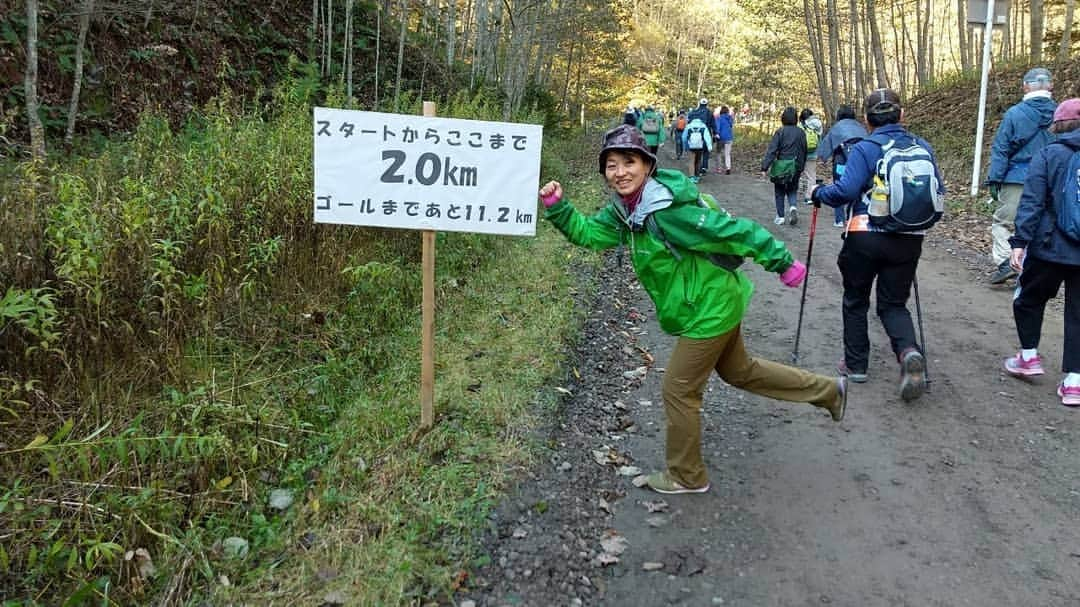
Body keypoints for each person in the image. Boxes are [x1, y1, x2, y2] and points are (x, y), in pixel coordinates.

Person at [538, 124, 848, 495]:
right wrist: (558, 208)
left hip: (710, 308)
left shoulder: (667, 211)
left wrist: (782, 262)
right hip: (710, 302)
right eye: (611, 165)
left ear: (648, 165)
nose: (620, 172)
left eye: (629, 162)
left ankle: (686, 475)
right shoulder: (625, 211)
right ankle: (829, 391)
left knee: (678, 389)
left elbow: (734, 231)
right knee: (740, 372)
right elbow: (588, 234)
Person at [808, 88, 945, 401]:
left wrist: (819, 194)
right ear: (902, 115)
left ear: (867, 120)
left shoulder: (866, 148)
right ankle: (909, 352)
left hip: (865, 235)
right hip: (908, 239)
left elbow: (845, 191)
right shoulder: (921, 146)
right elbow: (939, 189)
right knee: (894, 304)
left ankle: (856, 365)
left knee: (856, 298)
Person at [1001, 98, 1080, 407]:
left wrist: (1019, 243)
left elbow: (1031, 203)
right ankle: (1074, 382)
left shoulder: (1048, 155)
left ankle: (1029, 357)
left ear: (1058, 126)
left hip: (1048, 248)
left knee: (1028, 299)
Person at [986, 67, 1057, 285]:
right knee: (1043, 223)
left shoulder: (1015, 114)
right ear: (1051, 86)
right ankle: (1036, 269)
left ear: (1025, 86)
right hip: (1050, 179)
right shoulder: (1062, 113)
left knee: (1004, 222)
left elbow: (1001, 149)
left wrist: (995, 179)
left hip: (1017, 177)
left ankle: (1006, 262)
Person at [817, 104, 869, 228]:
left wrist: (823, 158)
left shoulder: (837, 127)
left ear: (839, 116)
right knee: (857, 188)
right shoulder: (860, 127)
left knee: (838, 187)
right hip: (859, 164)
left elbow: (823, 150)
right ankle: (853, 217)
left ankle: (839, 220)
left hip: (841, 163)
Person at [761, 106, 807, 226]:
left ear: (783, 118)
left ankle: (780, 216)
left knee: (779, 190)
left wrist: (765, 167)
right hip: (795, 165)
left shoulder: (780, 132)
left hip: (781, 166)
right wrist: (801, 167)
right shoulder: (801, 132)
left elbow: (772, 150)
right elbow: (804, 150)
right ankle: (792, 207)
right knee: (792, 189)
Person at [798, 108, 823, 205]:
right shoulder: (818, 124)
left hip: (801, 154)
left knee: (797, 173)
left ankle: (791, 193)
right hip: (813, 154)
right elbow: (820, 139)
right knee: (811, 176)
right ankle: (809, 197)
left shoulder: (800, 125)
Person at [687, 98, 716, 175]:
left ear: (699, 103)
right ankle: (704, 167)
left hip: (694, 133)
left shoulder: (694, 112)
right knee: (705, 151)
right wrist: (715, 133)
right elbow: (713, 124)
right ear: (706, 104)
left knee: (696, 150)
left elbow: (689, 122)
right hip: (706, 133)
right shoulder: (709, 113)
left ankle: (696, 169)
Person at [682, 114, 713, 184]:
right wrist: (709, 147)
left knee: (691, 161)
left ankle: (691, 177)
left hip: (691, 146)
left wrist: (685, 146)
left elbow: (684, 137)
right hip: (700, 146)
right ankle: (697, 176)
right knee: (698, 161)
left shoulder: (689, 126)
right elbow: (707, 137)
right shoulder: (703, 126)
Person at [714, 106, 735, 174]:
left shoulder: (719, 118)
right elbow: (731, 125)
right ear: (727, 111)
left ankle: (719, 169)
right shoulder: (730, 118)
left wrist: (716, 134)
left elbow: (717, 127)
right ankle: (728, 168)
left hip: (721, 138)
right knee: (727, 154)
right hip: (729, 138)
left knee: (719, 153)